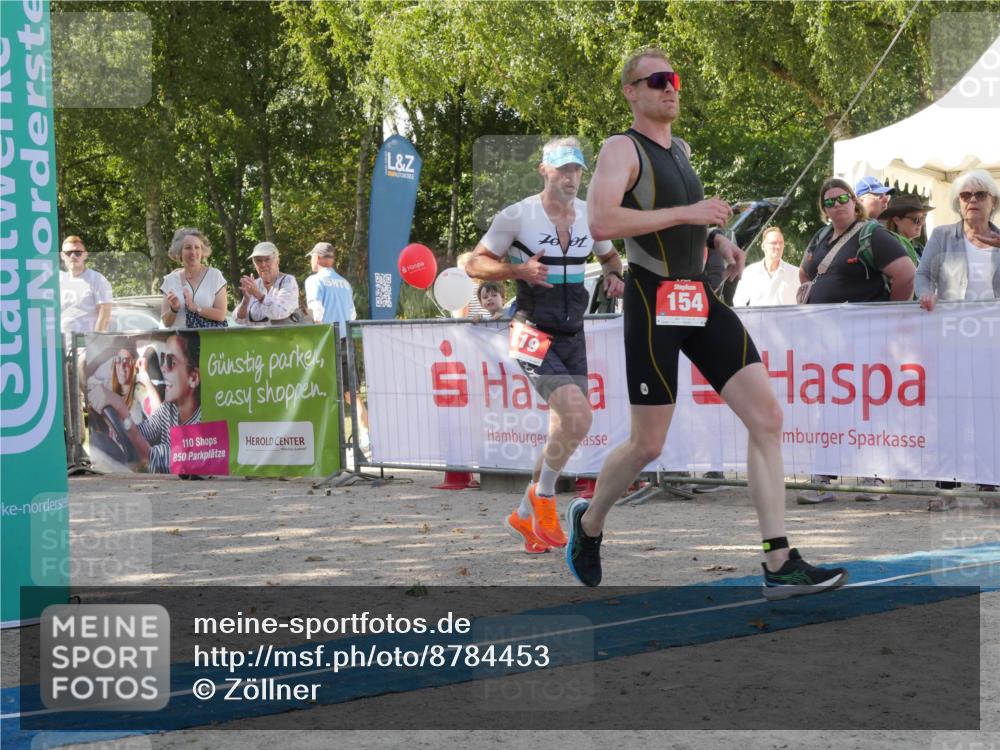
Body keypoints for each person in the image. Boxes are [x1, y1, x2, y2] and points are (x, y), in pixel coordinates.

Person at [566, 46, 846, 599]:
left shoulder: (682, 149)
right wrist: (690, 214)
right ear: (631, 92)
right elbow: (600, 221)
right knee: (648, 445)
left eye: (674, 78)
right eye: (656, 80)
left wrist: (717, 237)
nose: (670, 87)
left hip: (695, 296)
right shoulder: (621, 148)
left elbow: (680, 221)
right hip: (651, 298)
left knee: (766, 416)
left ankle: (779, 562)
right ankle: (590, 521)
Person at [466, 136, 625, 556]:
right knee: (579, 416)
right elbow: (473, 264)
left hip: (573, 332)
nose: (572, 177)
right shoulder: (517, 215)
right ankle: (544, 497)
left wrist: (614, 276)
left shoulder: (591, 215)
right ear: (544, 171)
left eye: (577, 169)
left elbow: (611, 258)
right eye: (563, 169)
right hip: (531, 329)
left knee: (567, 427)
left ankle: (523, 514)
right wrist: (517, 270)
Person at [795, 178, 915, 503]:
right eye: (829, 201)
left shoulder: (871, 234)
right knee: (829, 405)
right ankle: (823, 478)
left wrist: (889, 318)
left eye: (842, 198)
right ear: (823, 208)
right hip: (827, 340)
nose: (836, 205)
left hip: (866, 339)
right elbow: (805, 273)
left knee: (868, 403)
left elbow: (906, 274)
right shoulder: (820, 237)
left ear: (854, 201)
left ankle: (873, 476)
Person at [915, 169, 1000, 511]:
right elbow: (923, 274)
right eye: (966, 195)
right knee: (950, 412)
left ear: (993, 201)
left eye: (980, 195)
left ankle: (989, 483)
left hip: (991, 341)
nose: (972, 201)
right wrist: (925, 294)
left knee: (989, 412)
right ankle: (946, 488)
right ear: (957, 202)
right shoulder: (942, 236)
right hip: (951, 339)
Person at [89, 332, 201, 474]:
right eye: (162, 359)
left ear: (193, 378)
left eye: (171, 362)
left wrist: (121, 409)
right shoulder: (169, 409)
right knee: (98, 440)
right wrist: (116, 422)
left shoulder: (202, 425)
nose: (163, 368)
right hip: (163, 484)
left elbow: (152, 458)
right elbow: (142, 432)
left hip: (179, 486)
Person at [304, 242, 369, 451]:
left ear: (318, 258)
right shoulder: (344, 283)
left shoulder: (314, 281)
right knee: (353, 394)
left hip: (326, 341)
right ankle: (366, 438)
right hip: (346, 339)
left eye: (311, 257)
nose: (310, 261)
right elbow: (352, 314)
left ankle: (330, 443)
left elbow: (317, 312)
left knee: (325, 393)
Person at [161, 228, 228, 329]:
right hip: (179, 338)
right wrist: (174, 309)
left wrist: (195, 308)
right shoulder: (170, 280)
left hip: (207, 337)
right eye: (188, 248)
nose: (193, 252)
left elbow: (221, 315)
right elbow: (166, 322)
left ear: (202, 251)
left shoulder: (214, 276)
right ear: (179, 252)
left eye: (197, 247)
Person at [235, 242, 301, 325]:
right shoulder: (254, 284)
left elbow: (280, 312)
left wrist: (258, 295)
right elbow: (239, 321)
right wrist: (246, 300)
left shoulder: (287, 281)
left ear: (277, 261)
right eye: (258, 261)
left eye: (267, 259)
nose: (263, 265)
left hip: (284, 333)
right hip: (256, 333)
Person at [60, 236, 113, 337]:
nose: (73, 256)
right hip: (61, 343)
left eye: (78, 253)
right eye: (68, 253)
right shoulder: (58, 280)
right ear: (62, 256)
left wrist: (95, 341)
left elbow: (105, 316)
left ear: (85, 255)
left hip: (86, 344)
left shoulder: (97, 280)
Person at [732, 227, 800, 306]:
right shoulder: (750, 272)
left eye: (781, 243)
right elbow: (738, 301)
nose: (778, 246)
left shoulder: (795, 273)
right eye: (774, 243)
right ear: (763, 246)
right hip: (757, 315)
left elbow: (804, 302)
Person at [880, 194, 934, 259]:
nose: (921, 223)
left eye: (922, 219)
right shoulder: (890, 248)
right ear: (896, 220)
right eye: (916, 219)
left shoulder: (919, 248)